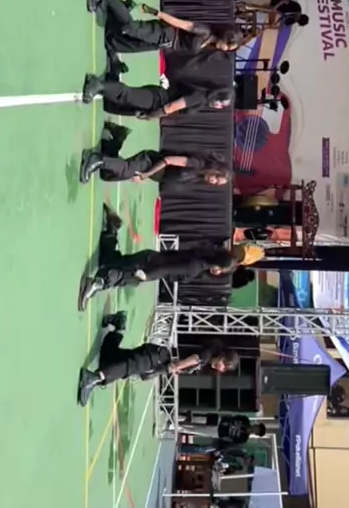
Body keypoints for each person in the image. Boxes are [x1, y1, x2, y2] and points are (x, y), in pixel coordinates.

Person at [78, 208, 237, 309]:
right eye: (221, 270)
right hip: (148, 266)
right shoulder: (194, 267)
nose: (218, 273)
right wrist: (148, 275)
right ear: (218, 264)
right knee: (119, 274)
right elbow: (167, 269)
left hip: (151, 258)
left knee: (111, 262)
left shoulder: (201, 254)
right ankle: (95, 284)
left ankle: (112, 227)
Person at [78, 329, 239, 406]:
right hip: (159, 356)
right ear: (222, 356)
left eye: (225, 369)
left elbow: (182, 367)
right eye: (224, 364)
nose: (221, 368)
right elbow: (189, 361)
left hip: (158, 358)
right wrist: (168, 369)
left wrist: (167, 370)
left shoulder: (206, 361)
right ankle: (93, 378)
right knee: (129, 367)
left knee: (112, 358)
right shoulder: (206, 355)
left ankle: (118, 327)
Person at [87, 0, 242, 55]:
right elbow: (181, 24)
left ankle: (112, 32)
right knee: (131, 28)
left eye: (228, 49)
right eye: (227, 45)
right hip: (165, 33)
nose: (225, 48)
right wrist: (157, 13)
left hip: (165, 43)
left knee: (130, 46)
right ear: (225, 36)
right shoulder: (204, 31)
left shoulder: (209, 44)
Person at [81, 73, 232, 118]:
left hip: (157, 98)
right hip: (158, 99)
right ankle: (98, 84)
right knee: (127, 95)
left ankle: (104, 86)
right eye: (221, 103)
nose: (219, 107)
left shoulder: (202, 97)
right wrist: (152, 116)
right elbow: (172, 106)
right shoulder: (201, 96)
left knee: (117, 105)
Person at [80, 145, 231, 187]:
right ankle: (97, 159)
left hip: (150, 172)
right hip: (149, 162)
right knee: (125, 169)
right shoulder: (197, 164)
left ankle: (112, 141)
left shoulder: (197, 177)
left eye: (217, 183)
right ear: (215, 170)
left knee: (107, 176)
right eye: (216, 177)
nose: (213, 181)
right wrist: (145, 175)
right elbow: (168, 160)